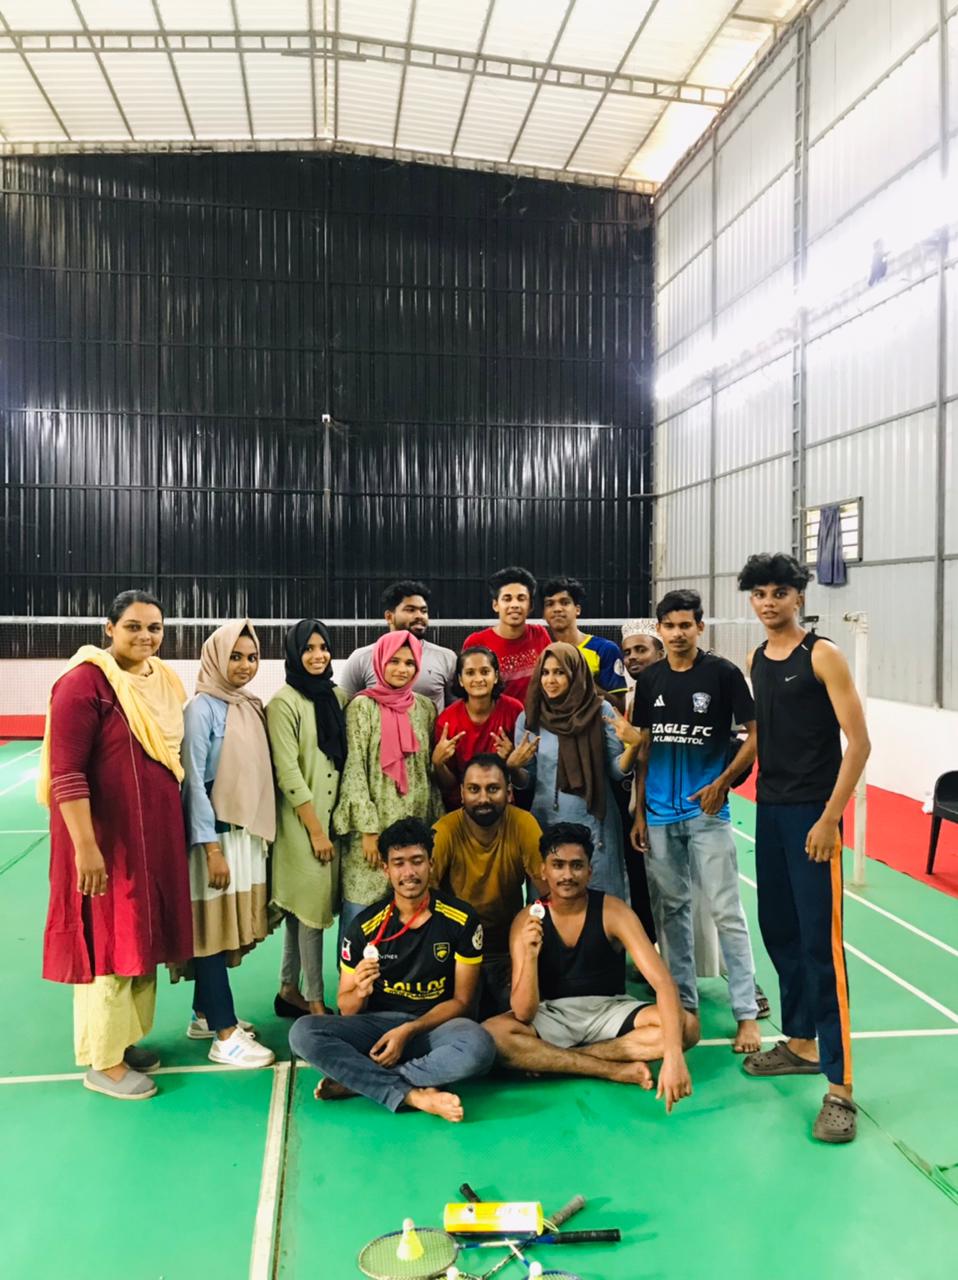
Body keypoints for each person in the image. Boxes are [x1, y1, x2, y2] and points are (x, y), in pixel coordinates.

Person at [38, 589, 194, 1100]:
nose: (145, 636)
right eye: (133, 626)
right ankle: (103, 1062)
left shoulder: (162, 680)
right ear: (109, 628)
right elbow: (67, 773)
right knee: (109, 942)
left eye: (154, 627)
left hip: (153, 840)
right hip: (107, 844)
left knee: (141, 937)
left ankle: (123, 1040)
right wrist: (86, 847)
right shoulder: (84, 684)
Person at [738, 553, 870, 1143]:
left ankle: (841, 1089)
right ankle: (800, 1042)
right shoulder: (755, 659)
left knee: (822, 949)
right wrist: (727, 780)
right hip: (769, 813)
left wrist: (830, 818)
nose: (769, 603)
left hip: (813, 818)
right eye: (759, 594)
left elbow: (859, 744)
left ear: (798, 596)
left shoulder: (822, 655)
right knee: (780, 933)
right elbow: (764, 737)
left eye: (779, 592)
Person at [290, 817, 496, 1122]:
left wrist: (408, 1030)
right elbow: (347, 1008)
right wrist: (360, 991)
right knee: (303, 1032)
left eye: (417, 861)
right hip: (378, 1029)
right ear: (385, 869)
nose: (409, 872)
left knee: (480, 1046)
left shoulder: (461, 919)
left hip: (433, 1028)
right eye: (399, 863)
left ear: (431, 864)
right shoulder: (364, 927)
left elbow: (463, 1002)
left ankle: (361, 1082)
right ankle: (413, 1095)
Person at [629, 589, 763, 1054]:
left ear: (699, 627)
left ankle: (746, 1013)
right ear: (659, 630)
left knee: (727, 911)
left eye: (686, 625)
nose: (678, 633)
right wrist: (640, 811)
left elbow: (755, 737)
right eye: (669, 626)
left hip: (707, 813)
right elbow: (644, 747)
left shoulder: (723, 674)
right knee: (672, 914)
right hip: (658, 817)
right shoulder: (650, 679)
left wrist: (722, 783)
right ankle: (685, 1007)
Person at [483, 823, 694, 1109]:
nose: (567, 875)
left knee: (687, 1027)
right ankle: (611, 1069)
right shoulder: (526, 920)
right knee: (493, 1036)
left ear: (590, 871)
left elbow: (663, 982)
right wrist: (530, 956)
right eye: (558, 865)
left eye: (576, 866)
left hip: (610, 1010)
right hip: (552, 1014)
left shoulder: (614, 911)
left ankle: (553, 1059)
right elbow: (523, 1012)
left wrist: (674, 1056)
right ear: (543, 871)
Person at [179, 620, 275, 1068]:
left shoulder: (248, 704)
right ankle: (225, 1034)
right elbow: (193, 783)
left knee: (222, 928)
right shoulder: (201, 709)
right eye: (235, 656)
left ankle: (203, 1014)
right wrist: (210, 848)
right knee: (211, 933)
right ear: (216, 657)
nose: (244, 665)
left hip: (241, 835)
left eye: (251, 657)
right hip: (213, 838)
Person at [333, 630, 443, 945]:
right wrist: (368, 830)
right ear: (379, 662)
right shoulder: (361, 707)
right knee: (362, 912)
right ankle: (351, 973)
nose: (401, 669)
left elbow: (425, 771)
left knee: (408, 908)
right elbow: (355, 768)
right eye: (394, 661)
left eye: (409, 663)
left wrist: (434, 825)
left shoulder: (425, 708)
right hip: (372, 830)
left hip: (413, 825)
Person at [268, 619, 349, 1020]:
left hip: (333, 821)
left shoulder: (338, 696)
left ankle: (288, 989)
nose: (318, 656)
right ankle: (315, 1002)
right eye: (308, 649)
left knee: (300, 913)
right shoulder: (283, 703)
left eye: (323, 647)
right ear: (294, 653)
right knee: (312, 912)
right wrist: (316, 831)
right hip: (302, 826)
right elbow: (288, 773)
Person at [508, 643, 632, 899]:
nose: (550, 680)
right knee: (551, 902)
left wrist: (636, 746)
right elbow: (528, 780)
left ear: (576, 673)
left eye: (559, 672)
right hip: (546, 822)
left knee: (601, 901)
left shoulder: (600, 711)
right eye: (545, 672)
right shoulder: (530, 717)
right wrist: (513, 766)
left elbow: (615, 770)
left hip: (595, 822)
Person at [431, 754, 546, 1017]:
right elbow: (424, 903)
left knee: (523, 1016)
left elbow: (548, 894)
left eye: (493, 789)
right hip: (457, 954)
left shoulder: (523, 824)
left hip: (507, 951)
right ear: (462, 794)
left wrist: (526, 953)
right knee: (459, 1020)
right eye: (474, 789)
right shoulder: (445, 831)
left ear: (509, 792)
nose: (483, 798)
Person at [338, 580, 456, 714]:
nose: (419, 616)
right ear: (389, 616)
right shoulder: (362, 658)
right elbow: (344, 707)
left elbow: (457, 709)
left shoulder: (446, 658)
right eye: (410, 610)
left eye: (424, 611)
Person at [432, 646, 523, 810]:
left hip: (504, 805)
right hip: (460, 807)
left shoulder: (514, 710)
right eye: (470, 673)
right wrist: (438, 764)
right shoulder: (446, 720)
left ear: (496, 676)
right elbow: (448, 785)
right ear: (460, 680)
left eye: (485, 672)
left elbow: (524, 779)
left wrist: (511, 760)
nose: (478, 679)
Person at [463, 566, 551, 704]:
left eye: (521, 598)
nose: (514, 605)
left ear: (530, 606)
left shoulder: (540, 634)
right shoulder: (476, 642)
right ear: (495, 605)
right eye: (507, 598)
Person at [542, 576, 627, 703]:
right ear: (544, 614)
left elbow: (619, 705)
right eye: (550, 604)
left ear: (577, 609)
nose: (557, 609)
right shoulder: (541, 651)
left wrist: (582, 681)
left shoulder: (605, 650)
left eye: (565, 602)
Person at [621, 619, 665, 694]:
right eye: (627, 653)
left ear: (660, 655)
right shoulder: (631, 695)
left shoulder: (677, 688)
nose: (631, 657)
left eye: (641, 650)